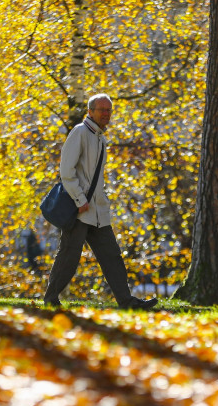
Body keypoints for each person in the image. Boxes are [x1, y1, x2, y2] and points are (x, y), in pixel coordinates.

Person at [44, 94, 158, 310]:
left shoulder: (99, 137)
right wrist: (79, 200)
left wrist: (100, 202)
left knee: (112, 256)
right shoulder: (79, 132)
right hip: (80, 209)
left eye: (109, 110)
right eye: (102, 110)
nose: (106, 114)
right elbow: (66, 171)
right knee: (69, 256)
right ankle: (50, 299)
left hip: (97, 211)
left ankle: (127, 301)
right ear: (90, 111)